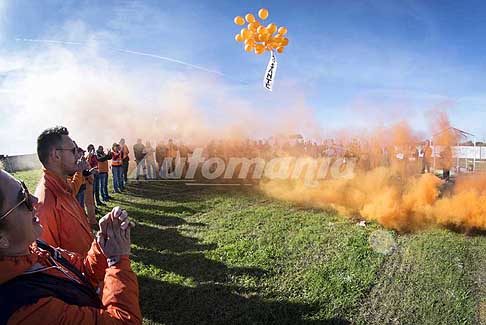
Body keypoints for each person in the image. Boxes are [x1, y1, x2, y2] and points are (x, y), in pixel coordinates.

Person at [0, 170, 141, 324]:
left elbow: (81, 271)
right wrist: (117, 261)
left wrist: (102, 247)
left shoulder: (32, 248)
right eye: (23, 198)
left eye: (25, 188)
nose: (34, 199)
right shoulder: (23, 309)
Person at [34, 126, 95, 255]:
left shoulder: (60, 184)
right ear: (56, 155)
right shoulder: (45, 205)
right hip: (77, 274)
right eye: (73, 151)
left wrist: (80, 172)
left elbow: (72, 190)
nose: (78, 155)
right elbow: (49, 261)